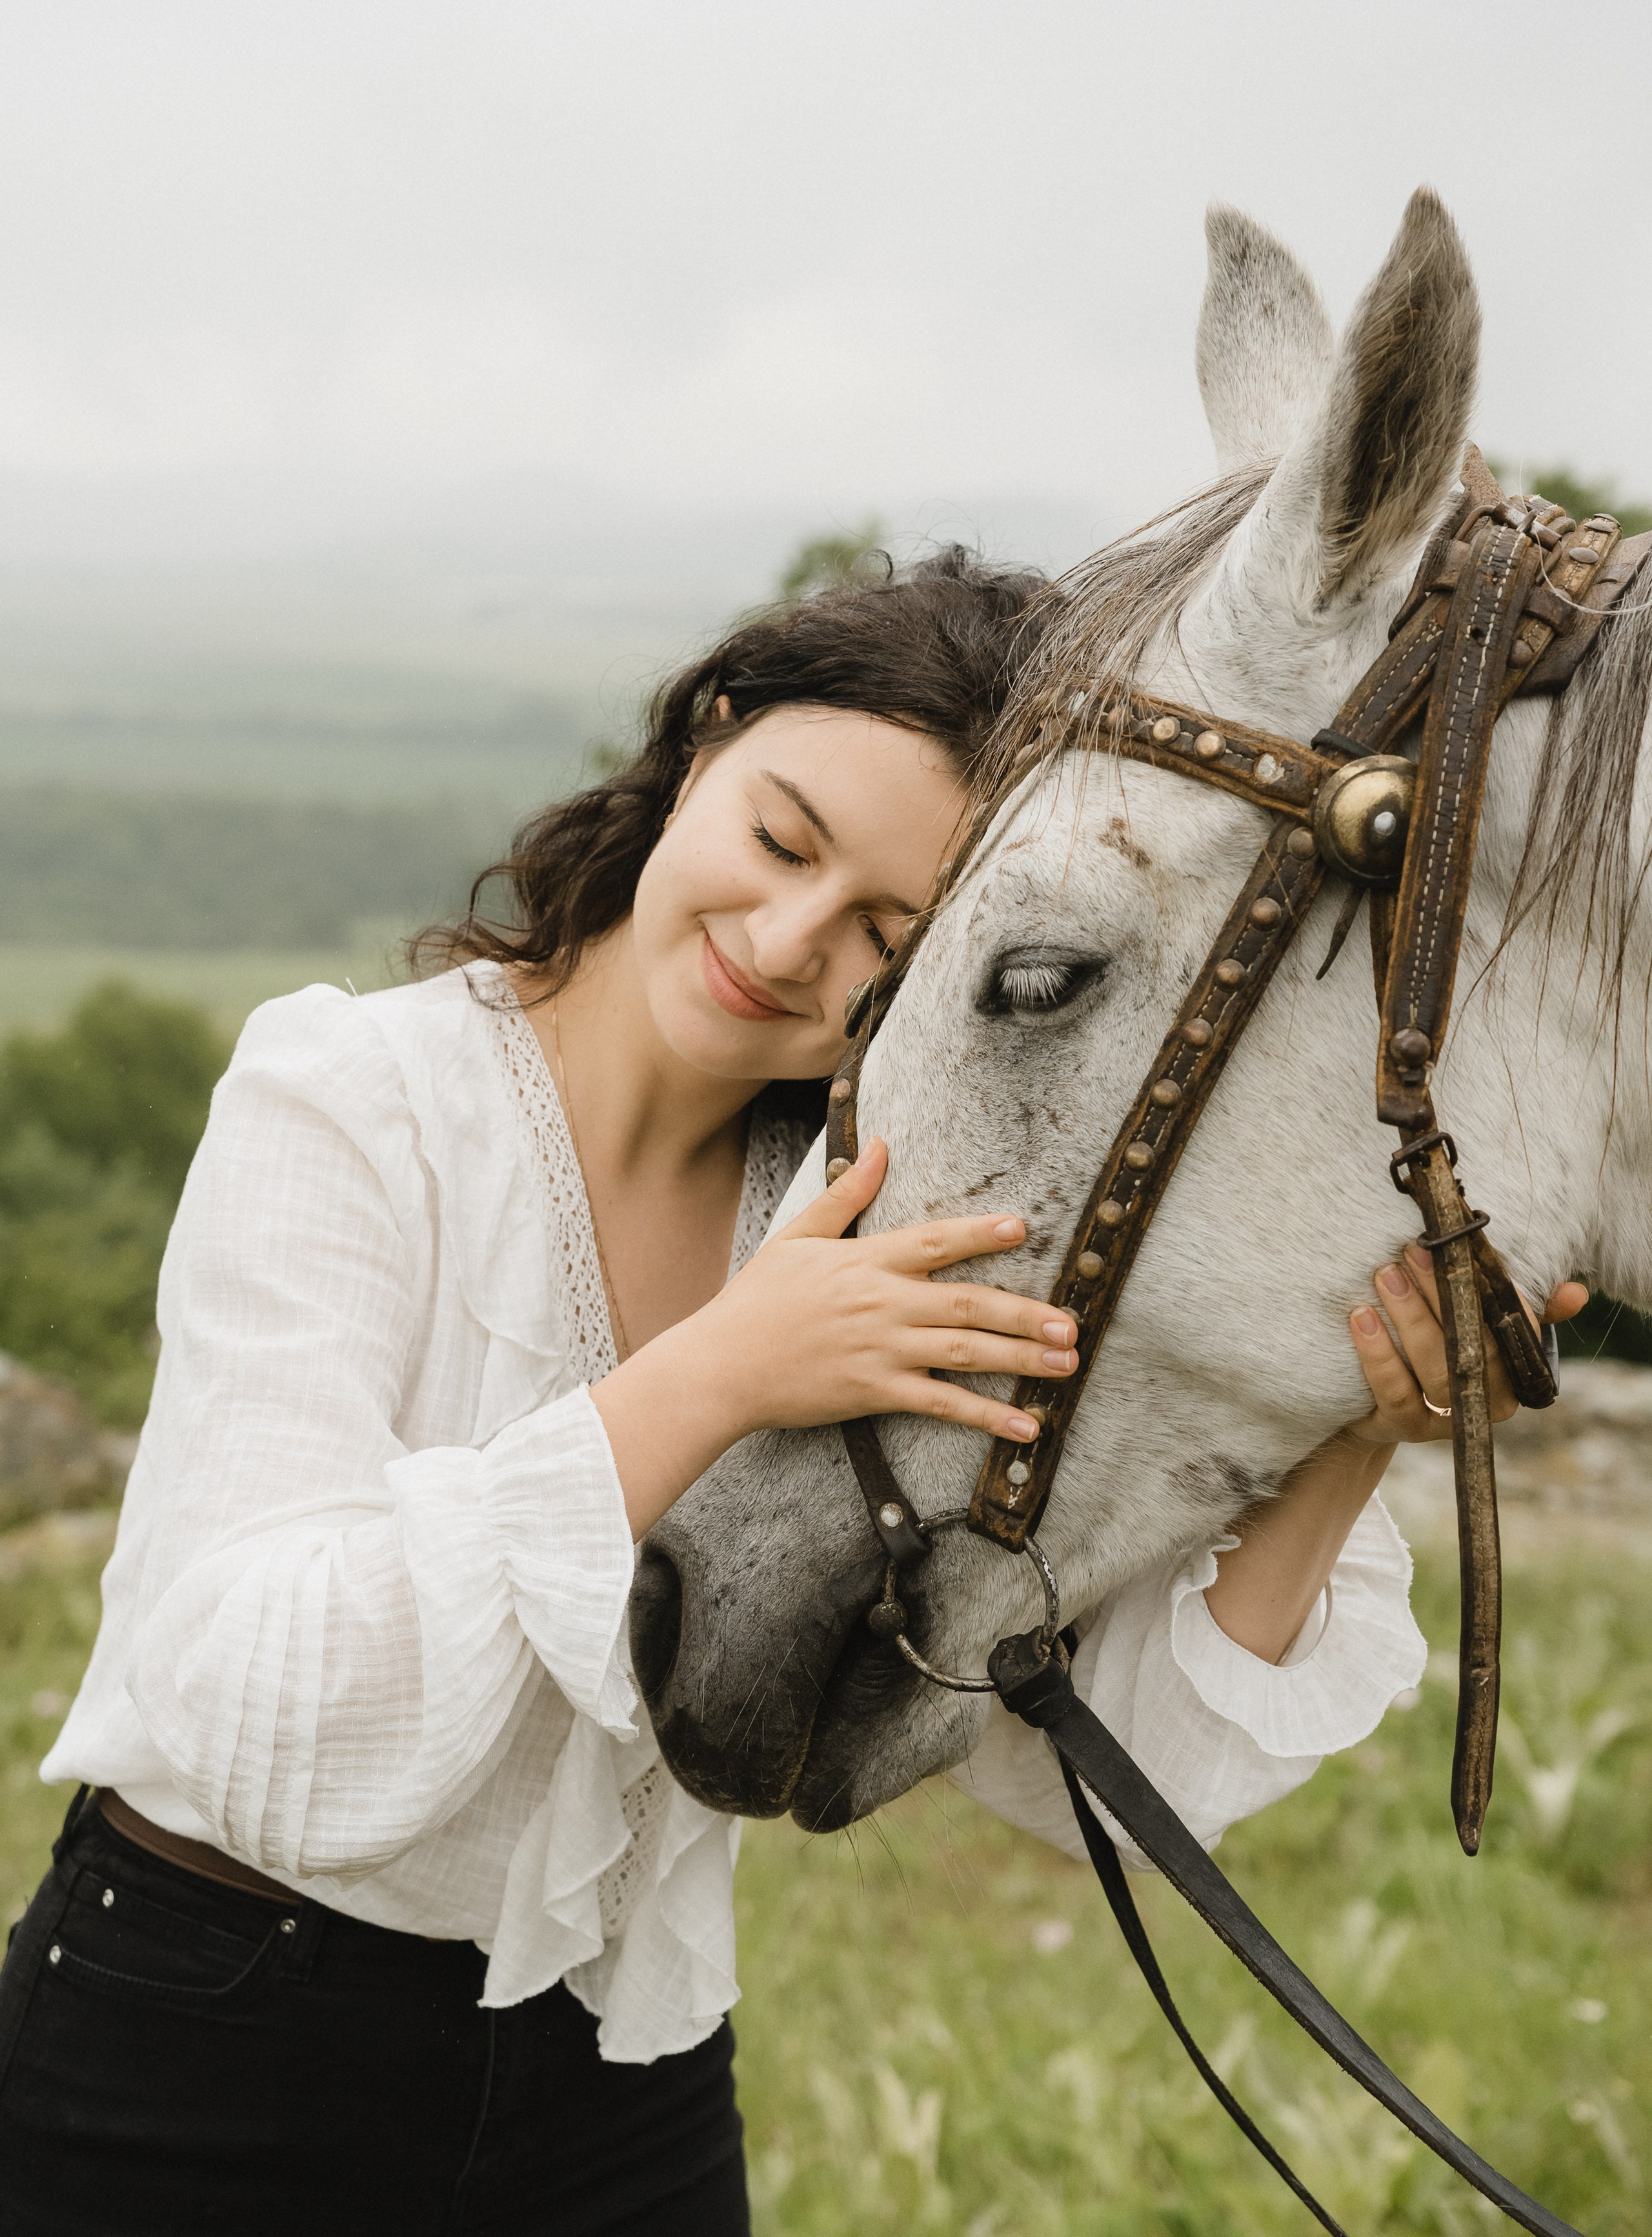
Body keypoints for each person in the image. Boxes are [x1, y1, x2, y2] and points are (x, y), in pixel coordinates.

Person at [0, 553, 1584, 2236]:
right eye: (779, 839)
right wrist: (722, 1372)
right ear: (707, 744)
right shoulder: (350, 1100)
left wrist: (1358, 1441)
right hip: (190, 2048)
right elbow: (259, 1715)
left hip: (626, 2081)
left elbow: (1058, 1780)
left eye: (887, 939)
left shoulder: (887, 1215)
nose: (783, 942)